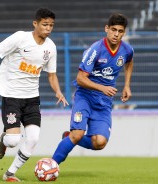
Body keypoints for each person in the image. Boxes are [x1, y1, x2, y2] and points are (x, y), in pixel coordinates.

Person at [0, 8, 68, 182]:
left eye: (51, 25)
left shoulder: (51, 47)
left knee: (33, 138)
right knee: (13, 141)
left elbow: (51, 75)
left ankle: (10, 173)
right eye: (45, 24)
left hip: (32, 98)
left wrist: (58, 91)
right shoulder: (20, 38)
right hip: (12, 96)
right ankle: (4, 139)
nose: (48, 28)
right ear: (35, 24)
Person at [52, 13, 134, 165]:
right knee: (77, 134)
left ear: (124, 32)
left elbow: (129, 62)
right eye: (113, 30)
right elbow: (80, 79)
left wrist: (127, 85)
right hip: (85, 97)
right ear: (106, 29)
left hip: (103, 101)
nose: (116, 34)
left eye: (120, 31)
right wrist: (102, 87)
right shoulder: (95, 50)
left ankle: (68, 138)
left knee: (100, 142)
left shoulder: (127, 50)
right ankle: (51, 165)